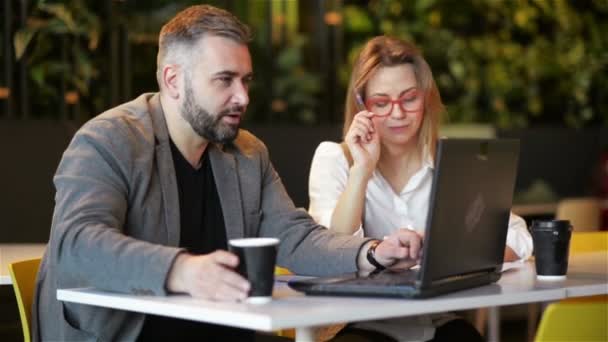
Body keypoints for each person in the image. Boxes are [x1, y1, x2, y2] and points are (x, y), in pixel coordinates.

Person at [32, 7, 423, 342]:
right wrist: (181, 270)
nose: (243, 97)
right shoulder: (109, 140)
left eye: (246, 80)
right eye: (224, 80)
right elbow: (77, 243)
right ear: (173, 80)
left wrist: (371, 253)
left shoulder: (247, 153)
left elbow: (294, 237)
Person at [308, 36, 533, 341]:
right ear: (362, 105)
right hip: (359, 324)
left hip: (437, 322)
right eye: (381, 102)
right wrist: (361, 171)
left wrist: (447, 249)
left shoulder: (450, 162)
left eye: (409, 98)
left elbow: (517, 238)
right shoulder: (334, 158)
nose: (398, 113)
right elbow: (329, 252)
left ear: (425, 97)